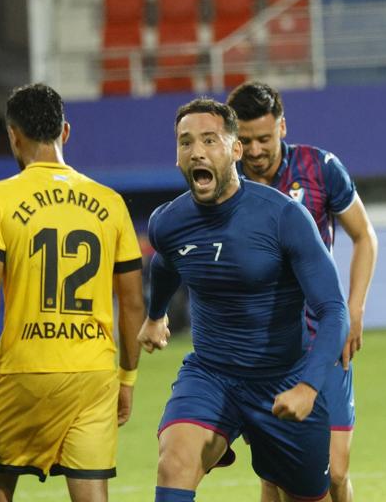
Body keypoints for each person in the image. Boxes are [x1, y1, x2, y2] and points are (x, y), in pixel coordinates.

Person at [139, 98, 349, 502]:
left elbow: (332, 309)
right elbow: (165, 265)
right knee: (174, 461)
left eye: (209, 140)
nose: (196, 151)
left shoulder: (283, 217)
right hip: (211, 375)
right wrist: (155, 315)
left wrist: (308, 386)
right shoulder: (168, 222)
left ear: (235, 150)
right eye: (185, 142)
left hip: (283, 380)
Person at [0, 83, 145, 502]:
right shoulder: (110, 202)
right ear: (66, 131)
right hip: (94, 373)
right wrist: (127, 379)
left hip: (26, 371)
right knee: (91, 495)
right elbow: (133, 301)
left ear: (14, 135)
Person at [225, 82, 378, 502]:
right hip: (263, 352)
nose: (254, 150)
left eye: (264, 139)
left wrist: (355, 308)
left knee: (336, 471)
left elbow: (364, 235)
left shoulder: (320, 167)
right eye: (245, 141)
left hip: (325, 339)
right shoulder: (224, 188)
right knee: (277, 476)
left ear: (282, 128)